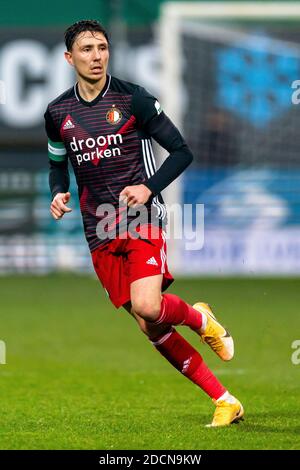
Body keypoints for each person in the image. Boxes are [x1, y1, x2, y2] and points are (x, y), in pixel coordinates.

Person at [44, 19, 244, 427]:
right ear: (69, 57)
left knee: (149, 306)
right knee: (149, 326)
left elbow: (181, 152)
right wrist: (58, 190)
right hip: (97, 227)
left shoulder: (134, 99)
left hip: (141, 216)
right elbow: (57, 162)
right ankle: (225, 400)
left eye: (101, 47)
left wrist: (148, 188)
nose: (96, 56)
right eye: (86, 49)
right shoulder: (57, 113)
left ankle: (200, 319)